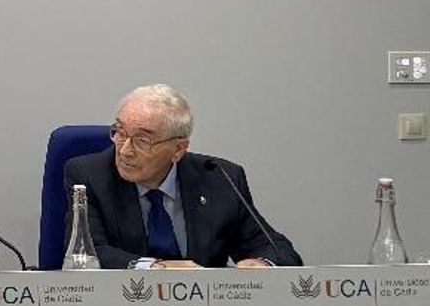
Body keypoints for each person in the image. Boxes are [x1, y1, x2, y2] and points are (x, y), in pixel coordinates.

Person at [63, 84, 300, 269]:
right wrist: (155, 268)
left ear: (178, 149)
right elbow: (87, 254)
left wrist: (261, 263)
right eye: (120, 132)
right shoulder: (89, 175)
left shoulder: (220, 178)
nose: (125, 150)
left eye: (143, 140)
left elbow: (277, 249)